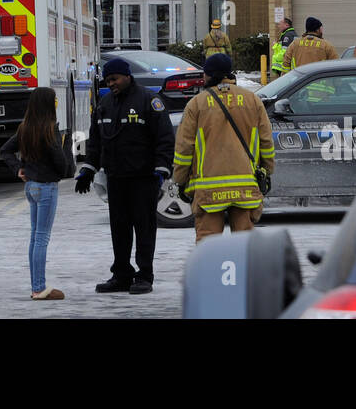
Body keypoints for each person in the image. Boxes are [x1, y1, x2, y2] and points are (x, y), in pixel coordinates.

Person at [75, 58, 174, 294]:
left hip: (143, 178)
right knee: (119, 229)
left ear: (127, 76)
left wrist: (162, 169)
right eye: (108, 80)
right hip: (116, 178)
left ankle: (144, 276)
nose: (111, 84)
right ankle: (121, 274)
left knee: (144, 228)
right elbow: (96, 141)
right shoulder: (104, 104)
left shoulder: (149, 101)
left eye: (115, 79)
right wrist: (88, 169)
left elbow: (164, 138)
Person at [172, 53, 275, 242]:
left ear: (210, 75)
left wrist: (180, 180)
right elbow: (266, 142)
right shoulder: (252, 100)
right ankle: (241, 272)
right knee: (244, 244)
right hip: (245, 186)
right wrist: (267, 171)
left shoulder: (196, 104)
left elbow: (184, 147)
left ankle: (213, 272)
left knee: (208, 245)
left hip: (208, 189)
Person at [0, 87, 73, 300]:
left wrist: (18, 169)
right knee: (42, 238)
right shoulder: (50, 130)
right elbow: (63, 166)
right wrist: (65, 145)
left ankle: (36, 286)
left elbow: (5, 149)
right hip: (47, 187)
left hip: (30, 187)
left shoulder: (25, 128)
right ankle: (39, 288)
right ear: (49, 104)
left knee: (35, 238)